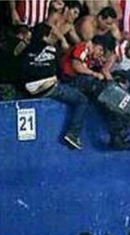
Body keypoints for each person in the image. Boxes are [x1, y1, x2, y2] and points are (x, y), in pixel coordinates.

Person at [20, 22, 88, 150]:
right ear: (45, 37)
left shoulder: (25, 49)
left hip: (29, 89)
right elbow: (59, 71)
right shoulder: (51, 49)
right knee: (82, 100)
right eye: (51, 35)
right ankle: (73, 134)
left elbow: (21, 70)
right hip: (48, 87)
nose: (54, 37)